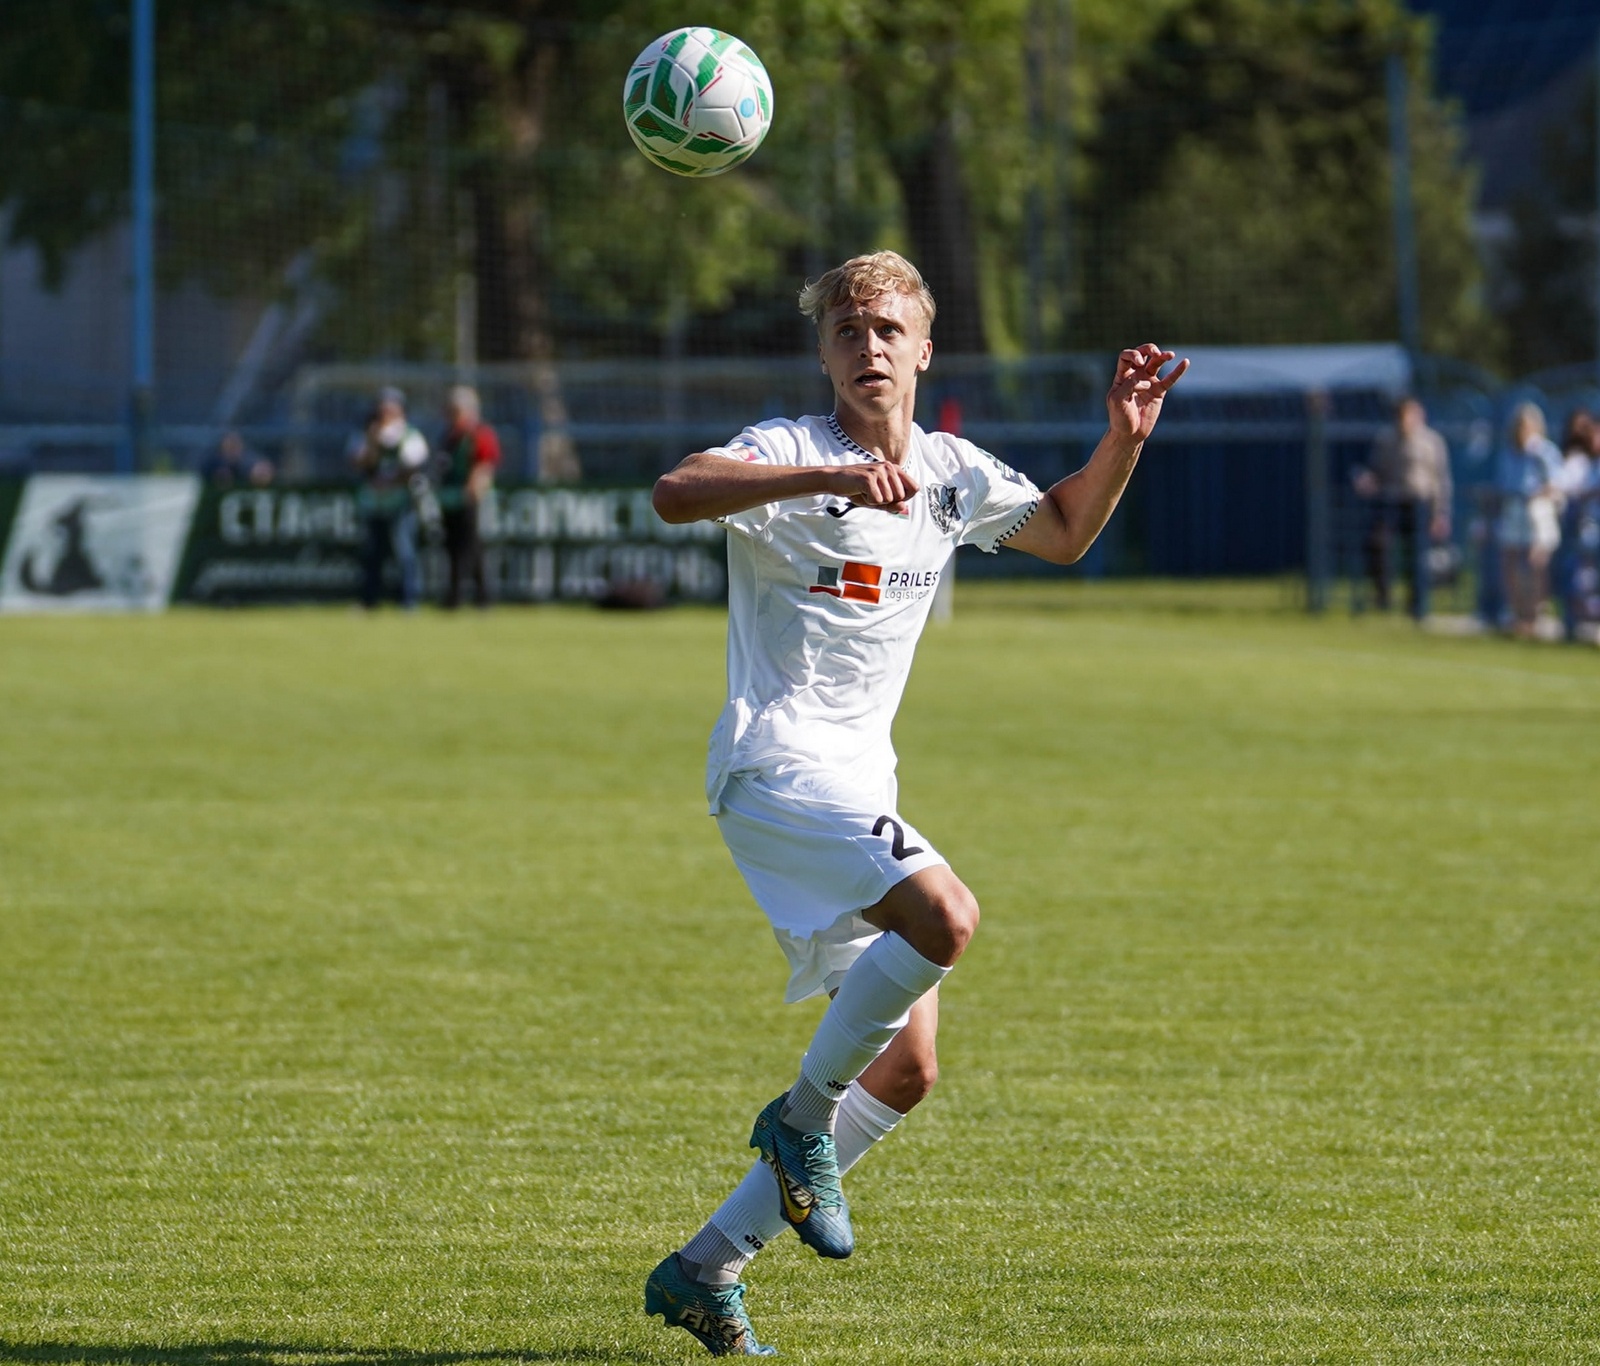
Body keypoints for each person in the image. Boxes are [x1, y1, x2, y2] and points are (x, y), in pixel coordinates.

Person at [641, 251, 1188, 1357]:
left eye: (889, 329)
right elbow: (676, 492)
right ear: (824, 353)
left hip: (860, 784)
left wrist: (1124, 437)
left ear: (924, 349)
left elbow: (1064, 530)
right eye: (847, 331)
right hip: (776, 766)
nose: (869, 347)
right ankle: (799, 1122)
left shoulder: (948, 471)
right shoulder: (791, 448)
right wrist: (822, 480)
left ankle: (705, 1267)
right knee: (947, 914)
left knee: (906, 1068)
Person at [1353, 396, 1451, 617]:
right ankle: (1383, 596)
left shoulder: (1431, 441)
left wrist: (1440, 513)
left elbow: (1441, 480)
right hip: (1392, 501)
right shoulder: (1385, 440)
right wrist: (1367, 481)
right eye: (1401, 416)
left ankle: (1416, 603)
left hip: (1420, 502)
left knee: (1417, 552)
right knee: (1377, 542)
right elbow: (1375, 471)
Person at [350, 387, 428, 610]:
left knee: (404, 552)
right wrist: (373, 442)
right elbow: (358, 462)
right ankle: (369, 600)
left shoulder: (410, 435)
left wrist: (390, 482)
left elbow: (413, 466)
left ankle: (408, 600)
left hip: (400, 503)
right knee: (371, 553)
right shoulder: (367, 434)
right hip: (373, 504)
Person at [1495, 401, 1563, 637]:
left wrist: (1538, 495)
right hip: (1514, 507)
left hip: (1537, 508)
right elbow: (1503, 483)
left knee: (1537, 564)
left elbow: (1556, 484)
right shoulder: (1509, 452)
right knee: (1510, 562)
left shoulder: (1544, 452)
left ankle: (1535, 614)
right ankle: (1517, 613)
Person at [432, 385, 501, 608]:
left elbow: (484, 465)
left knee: (468, 547)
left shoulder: (479, 433)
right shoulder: (449, 435)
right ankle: (476, 596)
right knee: (457, 547)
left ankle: (462, 596)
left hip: (470, 498)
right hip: (450, 498)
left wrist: (473, 490)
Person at [201, 429, 275, 488]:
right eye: (229, 446)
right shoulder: (213, 461)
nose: (232, 450)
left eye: (235, 446)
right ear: (222, 448)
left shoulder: (248, 460)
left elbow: (261, 468)